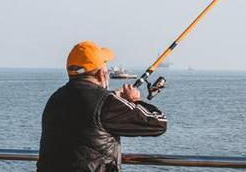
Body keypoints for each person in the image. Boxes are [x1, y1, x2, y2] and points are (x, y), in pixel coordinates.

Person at [37, 41, 167, 172]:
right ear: (101, 74)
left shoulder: (55, 99)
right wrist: (135, 100)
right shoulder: (106, 103)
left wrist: (113, 97)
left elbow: (85, 112)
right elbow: (158, 124)